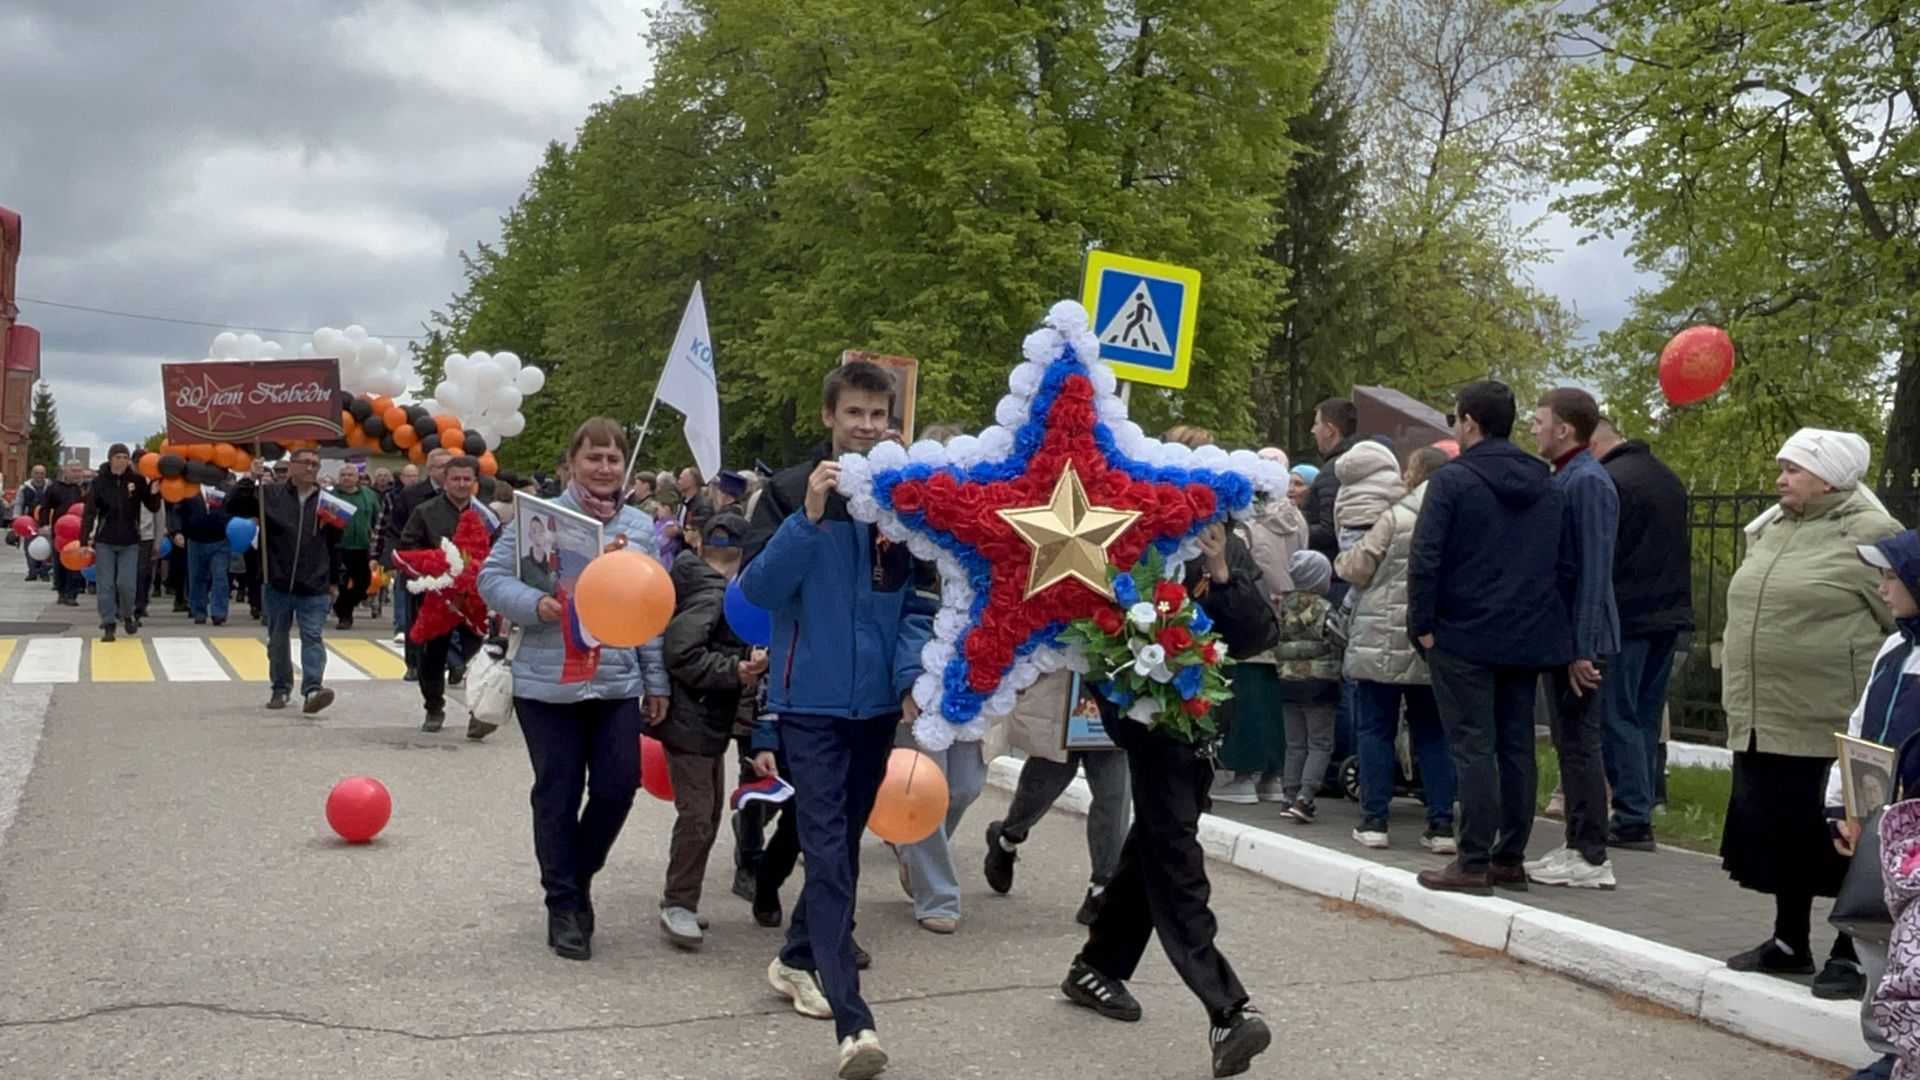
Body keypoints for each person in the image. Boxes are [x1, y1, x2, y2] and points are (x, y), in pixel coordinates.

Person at [738, 360, 934, 1080]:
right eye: (854, 413)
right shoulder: (789, 492)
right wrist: (808, 520)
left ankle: (795, 957)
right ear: (829, 417)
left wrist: (910, 677)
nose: (867, 426)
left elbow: (916, 606)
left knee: (843, 844)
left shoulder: (900, 503)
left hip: (875, 707)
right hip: (809, 706)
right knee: (825, 849)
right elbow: (757, 589)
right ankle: (856, 1025)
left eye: (879, 416)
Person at [1060, 512, 1280, 1080]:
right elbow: (1097, 641)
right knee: (1175, 853)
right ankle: (1227, 1008)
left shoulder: (1219, 545)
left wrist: (1221, 567)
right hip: (1147, 722)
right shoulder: (1126, 545)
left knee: (1156, 842)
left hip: (1202, 723)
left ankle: (1096, 966)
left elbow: (1257, 633)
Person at [477, 417, 671, 962]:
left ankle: (576, 876)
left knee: (618, 785)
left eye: (613, 459)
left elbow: (650, 611)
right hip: (547, 683)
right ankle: (563, 905)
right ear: (571, 463)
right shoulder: (537, 518)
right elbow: (491, 579)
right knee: (558, 791)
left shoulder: (639, 526)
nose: (604, 468)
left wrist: (655, 680)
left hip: (614, 681)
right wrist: (533, 605)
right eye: (593, 458)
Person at [1721, 428, 1899, 999]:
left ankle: (1851, 954)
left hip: (1828, 718)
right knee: (1779, 833)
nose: (1780, 478)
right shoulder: (1772, 528)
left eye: (1792, 469)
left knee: (1840, 839)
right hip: (1763, 714)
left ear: (1829, 477)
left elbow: (1901, 619)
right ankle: (1789, 941)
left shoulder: (1872, 534)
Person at [1409, 380, 1574, 895]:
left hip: (1462, 634)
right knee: (1517, 745)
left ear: (1469, 423)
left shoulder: (1454, 480)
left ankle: (1473, 858)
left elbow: (1427, 556)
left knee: (1472, 746)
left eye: (1454, 419)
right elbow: (1566, 562)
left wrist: (1423, 626)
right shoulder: (1547, 483)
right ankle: (1510, 858)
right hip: (1526, 636)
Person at [1827, 529, 1920, 1080]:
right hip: (1880, 828)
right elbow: (1861, 730)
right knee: (1875, 941)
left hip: (1916, 836)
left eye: (1891, 578)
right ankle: (1888, 1050)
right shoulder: (1894, 649)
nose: (1883, 589)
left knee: (1912, 951)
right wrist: (1843, 804)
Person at [1337, 446, 1458, 852]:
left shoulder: (1395, 516)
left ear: (1416, 474)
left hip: (1380, 640)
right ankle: (1441, 826)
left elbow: (1358, 567)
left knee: (1375, 729)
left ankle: (1375, 821)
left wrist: (1342, 559)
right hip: (1433, 639)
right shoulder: (1459, 518)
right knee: (1434, 733)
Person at [654, 512, 765, 949]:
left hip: (703, 718)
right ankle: (677, 902)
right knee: (699, 815)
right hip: (692, 717)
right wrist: (735, 669)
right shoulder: (713, 593)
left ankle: (683, 898)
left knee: (708, 812)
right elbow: (681, 653)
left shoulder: (696, 579)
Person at [1525, 388, 1621, 890]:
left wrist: (1583, 649)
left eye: (1540, 422)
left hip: (1581, 641)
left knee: (1580, 743)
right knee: (1568, 741)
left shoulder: (1588, 483)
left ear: (1564, 429)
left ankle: (1590, 854)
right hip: (1566, 637)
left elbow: (1592, 570)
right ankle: (1575, 844)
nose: (1534, 429)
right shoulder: (1567, 477)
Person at [1588, 419, 1693, 851]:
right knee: (1645, 718)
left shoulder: (1611, 481)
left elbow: (1602, 553)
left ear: (1593, 442)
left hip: (1627, 617)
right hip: (1669, 614)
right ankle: (1643, 803)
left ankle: (1631, 816)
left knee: (1618, 715)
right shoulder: (1666, 477)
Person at [983, 671, 1132, 926]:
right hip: (1059, 692)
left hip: (1114, 688)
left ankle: (1102, 887)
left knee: (1114, 794)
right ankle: (1007, 838)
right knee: (1043, 785)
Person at [1210, 447, 1306, 803]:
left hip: (1247, 611)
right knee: (1270, 699)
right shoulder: (1297, 519)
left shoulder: (1245, 527)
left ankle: (1242, 775)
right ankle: (1272, 777)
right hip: (1287, 612)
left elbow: (1241, 568)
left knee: (1244, 694)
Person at [228, 447, 342, 714]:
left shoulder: (329, 502)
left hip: (315, 584)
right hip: (277, 581)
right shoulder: (270, 494)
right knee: (277, 639)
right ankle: (280, 688)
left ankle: (313, 689)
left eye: (316, 464)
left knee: (313, 636)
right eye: (305, 463)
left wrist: (335, 580)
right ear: (291, 466)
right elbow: (233, 507)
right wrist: (248, 479)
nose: (311, 468)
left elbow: (336, 545)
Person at [399, 455, 497, 733]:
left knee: (478, 658)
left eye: (468, 479)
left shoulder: (485, 515)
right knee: (431, 657)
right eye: (456, 478)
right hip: (437, 597)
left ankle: (479, 712)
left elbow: (500, 550)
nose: (462, 484)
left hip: (475, 599)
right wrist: (434, 568)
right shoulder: (425, 511)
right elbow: (410, 547)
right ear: (445, 480)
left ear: (475, 482)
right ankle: (433, 707)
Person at [1265, 550, 1341, 823]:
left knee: (1294, 743)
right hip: (1320, 685)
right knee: (1320, 743)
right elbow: (1341, 638)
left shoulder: (1282, 607)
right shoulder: (1325, 609)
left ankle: (1288, 795)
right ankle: (1306, 798)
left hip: (1287, 682)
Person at [78, 443, 162, 642]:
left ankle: (127, 614)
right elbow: (89, 512)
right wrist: (83, 541)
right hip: (105, 540)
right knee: (105, 585)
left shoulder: (137, 480)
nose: (122, 461)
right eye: (118, 457)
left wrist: (154, 491)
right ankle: (108, 623)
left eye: (125, 457)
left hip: (130, 540)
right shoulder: (100, 482)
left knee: (126, 584)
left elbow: (152, 506)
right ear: (110, 459)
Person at [385, 450, 454, 679]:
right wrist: (395, 560)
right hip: (417, 563)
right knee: (415, 616)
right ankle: (414, 663)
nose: (445, 471)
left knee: (450, 614)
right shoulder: (411, 495)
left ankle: (452, 662)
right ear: (429, 469)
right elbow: (395, 528)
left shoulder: (458, 494)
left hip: (450, 564)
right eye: (440, 466)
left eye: (449, 466)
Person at [1304, 398, 1360, 561]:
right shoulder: (1357, 461)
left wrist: (1298, 528)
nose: (1312, 430)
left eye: (1316, 423)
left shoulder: (1335, 470)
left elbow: (1329, 530)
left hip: (1333, 568)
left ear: (1330, 430)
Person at [330, 463, 381, 630]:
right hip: (338, 546)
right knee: (340, 583)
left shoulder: (369, 495)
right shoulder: (331, 496)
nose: (346, 477)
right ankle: (344, 616)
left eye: (350, 475)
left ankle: (348, 605)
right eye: (343, 474)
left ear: (357, 477)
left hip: (361, 546)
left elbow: (377, 517)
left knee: (364, 583)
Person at [176, 478, 234, 626]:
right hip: (196, 540)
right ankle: (198, 611)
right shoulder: (189, 488)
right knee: (197, 577)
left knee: (220, 576)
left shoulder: (225, 487)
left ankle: (218, 612)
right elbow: (178, 511)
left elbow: (233, 509)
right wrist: (176, 532)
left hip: (220, 540)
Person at [1332, 440, 1404, 554]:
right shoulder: (1391, 479)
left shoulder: (1345, 485)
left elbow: (1337, 513)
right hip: (1376, 531)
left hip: (1348, 531)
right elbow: (1402, 504)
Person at [16, 464, 49, 581]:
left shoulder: (50, 487)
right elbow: (19, 504)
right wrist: (17, 519)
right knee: (29, 547)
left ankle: (44, 572)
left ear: (45, 474)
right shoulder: (24, 488)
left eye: (42, 473)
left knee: (47, 547)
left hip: (46, 522)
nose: (39, 476)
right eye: (37, 473)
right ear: (32, 474)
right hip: (29, 522)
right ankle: (32, 571)